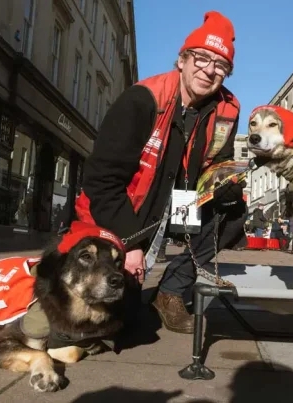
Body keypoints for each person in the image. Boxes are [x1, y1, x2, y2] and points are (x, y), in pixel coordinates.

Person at [75, 11, 246, 334]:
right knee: (120, 323)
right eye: (201, 58)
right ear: (182, 60)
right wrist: (130, 244)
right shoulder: (142, 100)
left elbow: (218, 162)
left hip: (180, 202)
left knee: (234, 210)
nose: (209, 70)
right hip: (127, 208)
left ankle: (171, 291)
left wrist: (227, 184)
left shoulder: (227, 109)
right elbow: (101, 181)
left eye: (221, 65)